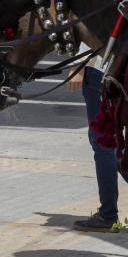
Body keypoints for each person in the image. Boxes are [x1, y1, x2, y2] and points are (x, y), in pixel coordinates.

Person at [69, 45, 128, 232]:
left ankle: (108, 215)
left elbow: (91, 24)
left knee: (103, 143)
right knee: (107, 141)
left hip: (101, 68)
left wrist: (77, 63)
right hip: (118, 68)